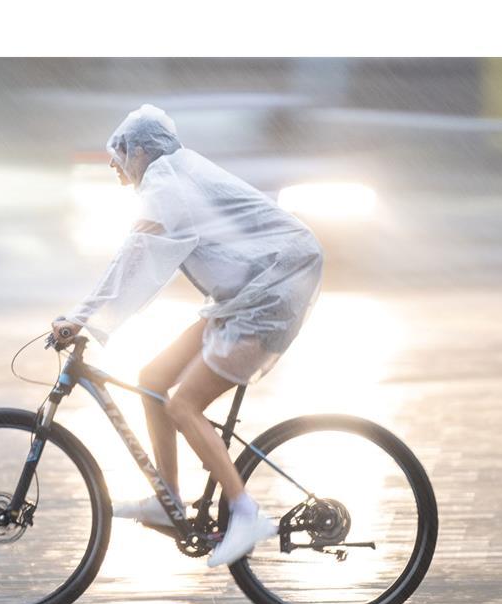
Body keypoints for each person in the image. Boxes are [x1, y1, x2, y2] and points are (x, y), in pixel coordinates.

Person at [51, 104, 324, 568]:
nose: (115, 167)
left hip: (269, 299)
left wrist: (80, 317)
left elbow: (133, 259)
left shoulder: (166, 186)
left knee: (183, 405)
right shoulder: (172, 176)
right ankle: (168, 498)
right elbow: (148, 265)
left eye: (119, 156)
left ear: (140, 151)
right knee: (152, 378)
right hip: (245, 296)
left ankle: (246, 512)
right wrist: (88, 315)